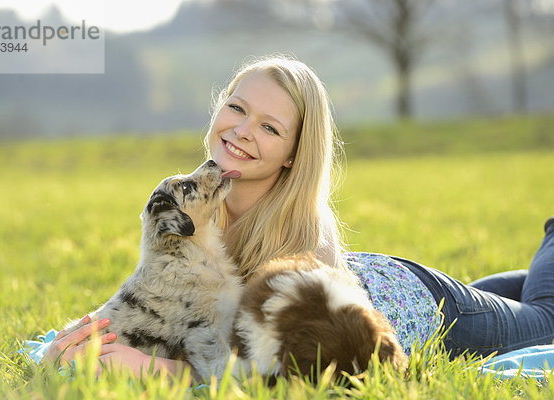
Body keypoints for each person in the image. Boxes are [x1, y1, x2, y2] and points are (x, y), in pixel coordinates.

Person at [36, 55, 554, 378]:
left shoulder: (306, 236)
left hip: (422, 310)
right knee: (528, 294)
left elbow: (286, 375)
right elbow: (159, 311)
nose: (241, 131)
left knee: (547, 320)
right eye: (237, 109)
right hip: (369, 275)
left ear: (292, 154)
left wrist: (164, 374)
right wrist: (86, 342)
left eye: (269, 127)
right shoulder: (199, 210)